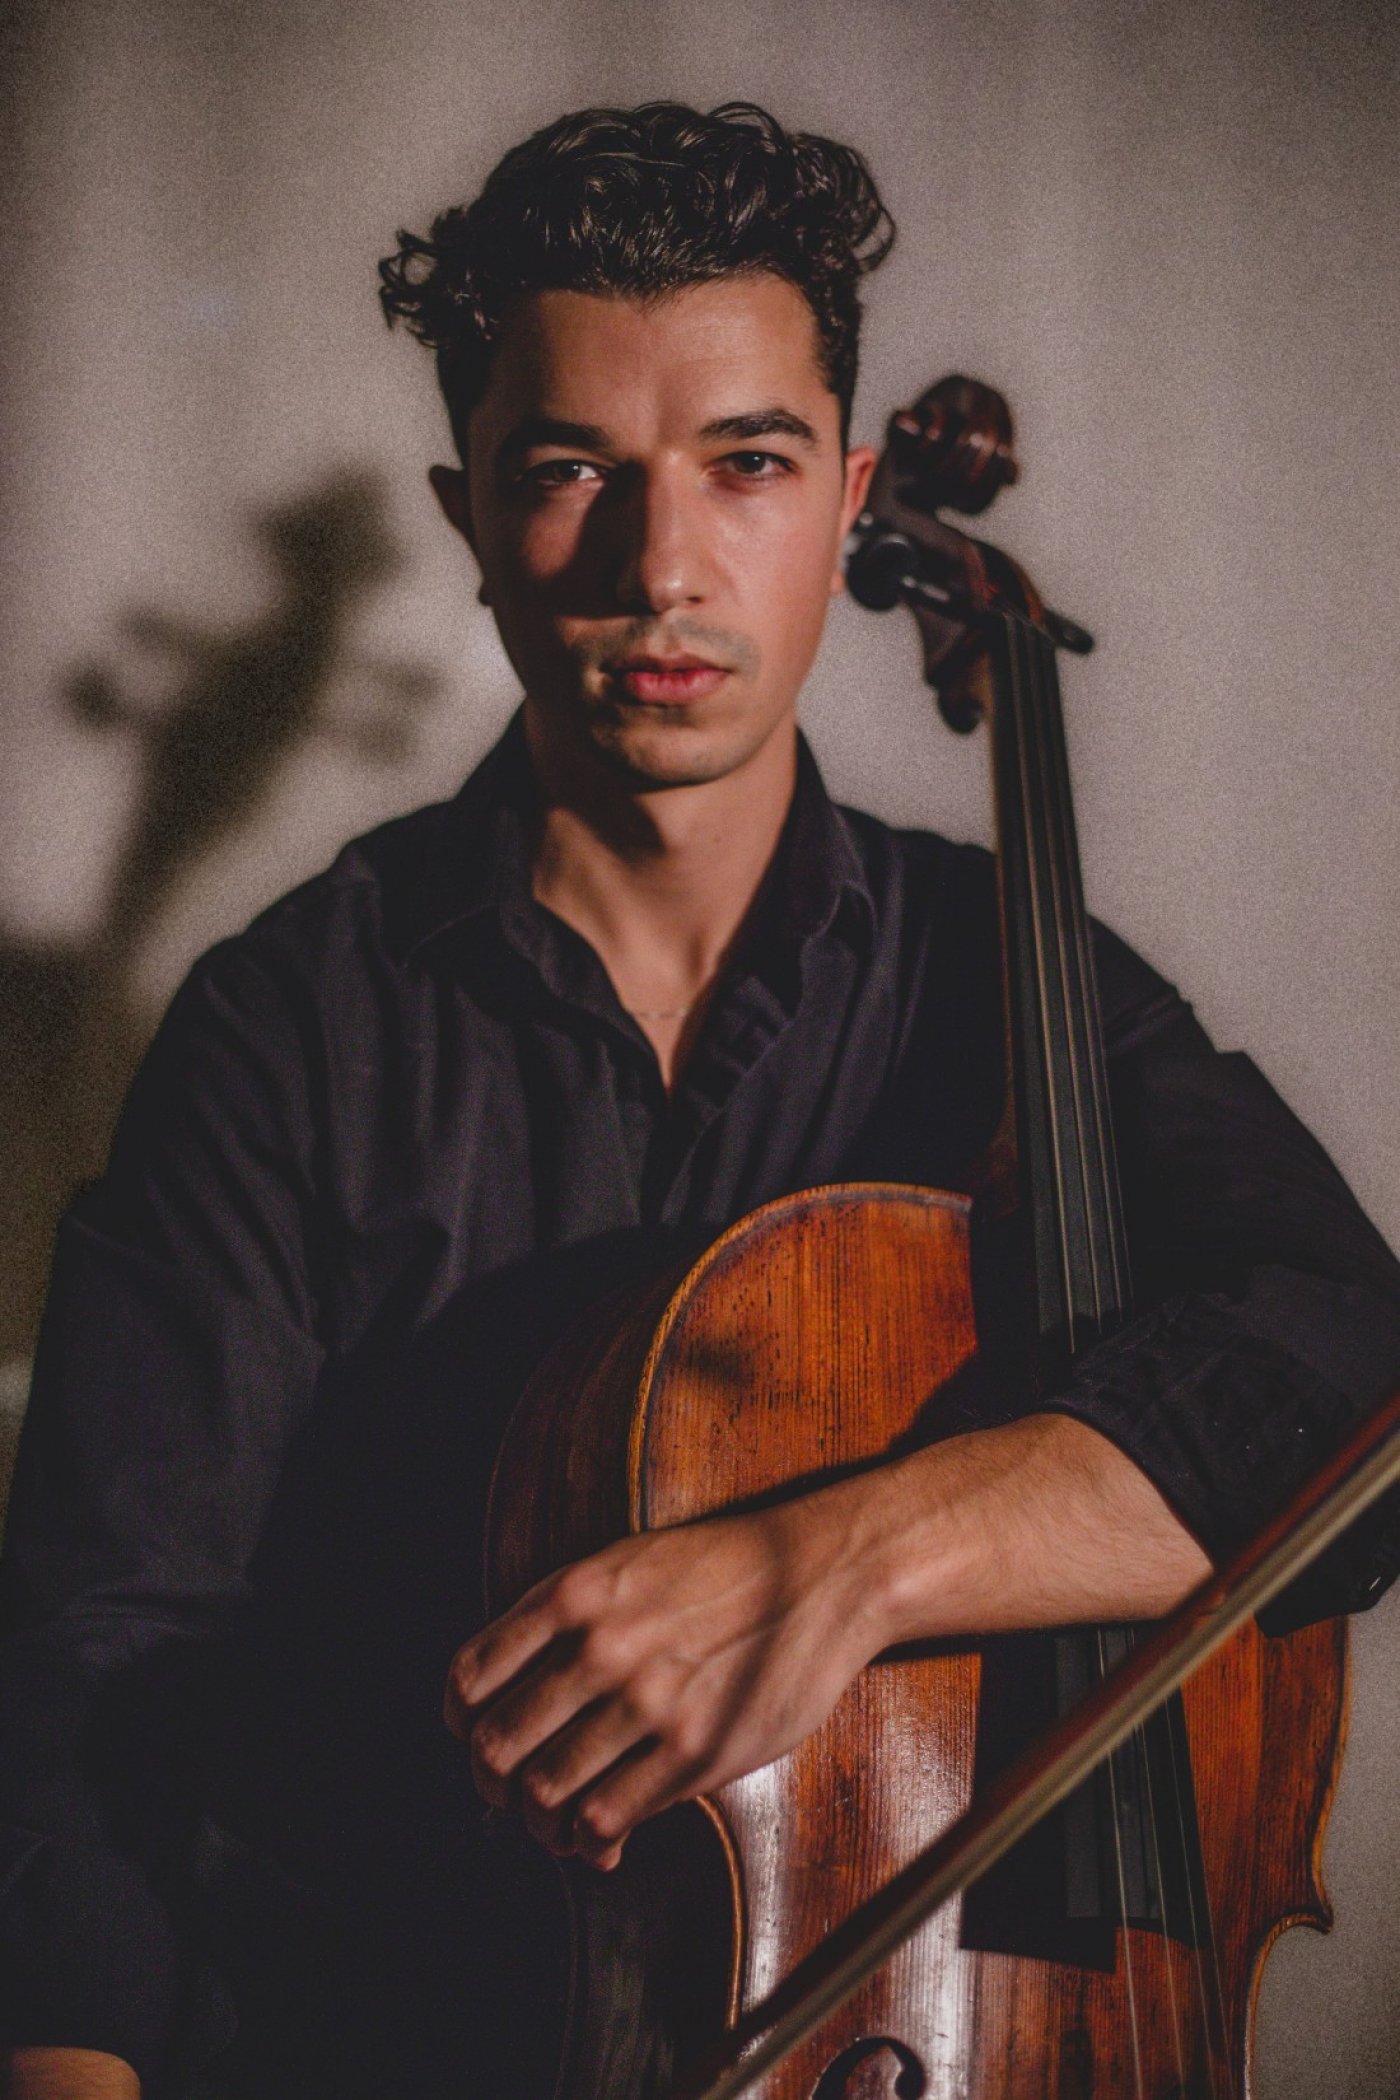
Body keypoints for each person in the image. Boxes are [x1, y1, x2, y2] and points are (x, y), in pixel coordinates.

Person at [2, 101, 1398, 2100]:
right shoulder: (293, 1024)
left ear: (844, 500)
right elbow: (95, 1685)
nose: (662, 566)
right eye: (571, 471)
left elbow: (1351, 1377)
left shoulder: (1010, 991)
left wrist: (834, 1562)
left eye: (742, 467)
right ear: (468, 510)